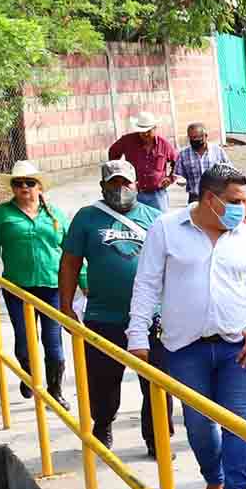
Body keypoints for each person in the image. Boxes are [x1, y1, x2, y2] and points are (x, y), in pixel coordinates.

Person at [127, 163, 246, 489]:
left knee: (240, 422)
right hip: (184, 346)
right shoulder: (167, 229)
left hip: (238, 346)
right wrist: (138, 336)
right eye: (236, 200)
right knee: (199, 424)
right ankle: (215, 476)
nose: (244, 207)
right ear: (210, 199)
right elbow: (147, 284)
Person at [57, 159, 167, 455]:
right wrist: (66, 307)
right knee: (103, 381)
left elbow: (172, 264)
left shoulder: (156, 218)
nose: (120, 189)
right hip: (103, 316)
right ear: (103, 187)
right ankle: (103, 423)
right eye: (113, 184)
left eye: (125, 183)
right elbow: (69, 263)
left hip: (150, 318)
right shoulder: (87, 218)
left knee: (157, 382)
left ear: (136, 185)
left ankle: (157, 438)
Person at [0, 159, 69, 403]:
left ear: (40, 187)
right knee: (25, 339)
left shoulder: (55, 214)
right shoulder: (2, 214)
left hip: (52, 287)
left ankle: (55, 390)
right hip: (17, 288)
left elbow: (71, 251)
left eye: (30, 183)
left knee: (53, 341)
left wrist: (82, 280)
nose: (24, 188)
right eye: (18, 184)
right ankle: (29, 375)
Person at [108, 113, 177, 211]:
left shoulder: (164, 145)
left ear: (155, 128)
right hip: (135, 192)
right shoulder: (128, 141)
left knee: (161, 220)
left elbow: (177, 162)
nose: (145, 134)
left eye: (148, 131)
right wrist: (119, 174)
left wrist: (170, 178)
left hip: (157, 194)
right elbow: (113, 152)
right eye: (142, 131)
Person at [176, 122, 225, 204]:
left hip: (216, 196)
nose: (194, 140)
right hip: (195, 198)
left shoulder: (217, 151)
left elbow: (229, 172)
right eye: (191, 138)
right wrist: (180, 180)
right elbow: (179, 175)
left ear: (205, 136)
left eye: (196, 137)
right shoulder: (184, 154)